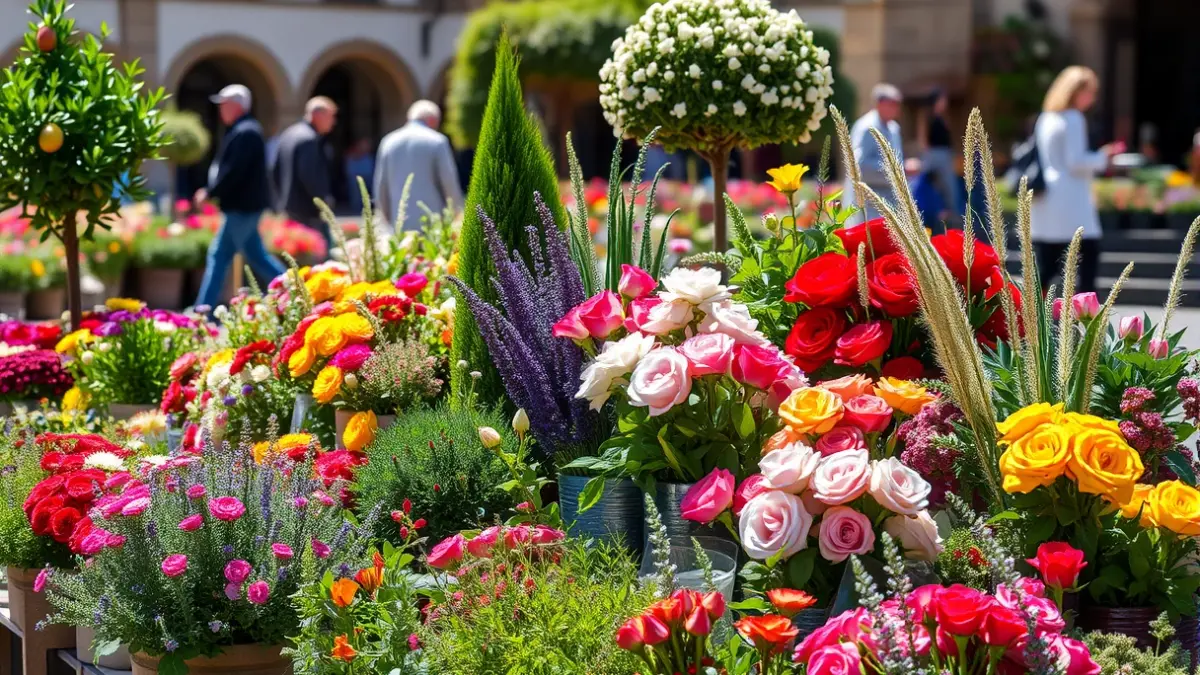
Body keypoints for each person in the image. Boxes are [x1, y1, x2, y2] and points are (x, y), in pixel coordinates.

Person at [1030, 66, 1122, 294]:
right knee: (1087, 259)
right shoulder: (1073, 118)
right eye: (1090, 92)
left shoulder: (1046, 117)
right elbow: (1075, 161)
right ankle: (1083, 315)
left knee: (1046, 263)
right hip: (1071, 199)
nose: (1093, 98)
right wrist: (1104, 156)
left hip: (1046, 198)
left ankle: (1030, 316)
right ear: (1076, 91)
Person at [193, 84, 285, 311]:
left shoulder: (245, 132)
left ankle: (202, 312)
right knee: (256, 256)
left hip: (242, 208)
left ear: (236, 105)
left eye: (223, 104)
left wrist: (210, 192)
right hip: (244, 208)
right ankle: (297, 289)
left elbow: (233, 172)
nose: (220, 109)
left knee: (219, 255)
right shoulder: (245, 130)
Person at [374, 100, 463, 231]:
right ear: (432, 120)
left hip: (399, 221)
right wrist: (457, 213)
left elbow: (381, 185)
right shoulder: (437, 141)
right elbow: (448, 181)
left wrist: (386, 218)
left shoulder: (388, 141)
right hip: (432, 223)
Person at [273, 96, 338, 252]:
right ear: (317, 115)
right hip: (308, 212)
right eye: (331, 116)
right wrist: (324, 200)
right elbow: (309, 176)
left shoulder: (289, 134)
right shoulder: (309, 139)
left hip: (289, 208)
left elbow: (275, 170)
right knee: (321, 258)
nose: (333, 122)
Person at [845, 83, 905, 224]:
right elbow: (859, 167)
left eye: (898, 104)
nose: (897, 108)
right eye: (893, 103)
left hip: (891, 201)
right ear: (880, 104)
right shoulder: (867, 127)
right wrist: (894, 170)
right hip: (869, 203)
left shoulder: (894, 128)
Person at [921, 88, 961, 221]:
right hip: (934, 155)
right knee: (937, 186)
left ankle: (950, 218)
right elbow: (924, 138)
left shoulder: (942, 117)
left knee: (950, 189)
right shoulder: (928, 117)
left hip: (945, 155)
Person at [344, 138, 376, 215]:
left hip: (368, 176)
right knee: (356, 195)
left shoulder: (369, 156)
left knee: (370, 193)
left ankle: (369, 209)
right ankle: (357, 211)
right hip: (354, 176)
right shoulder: (352, 153)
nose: (366, 147)